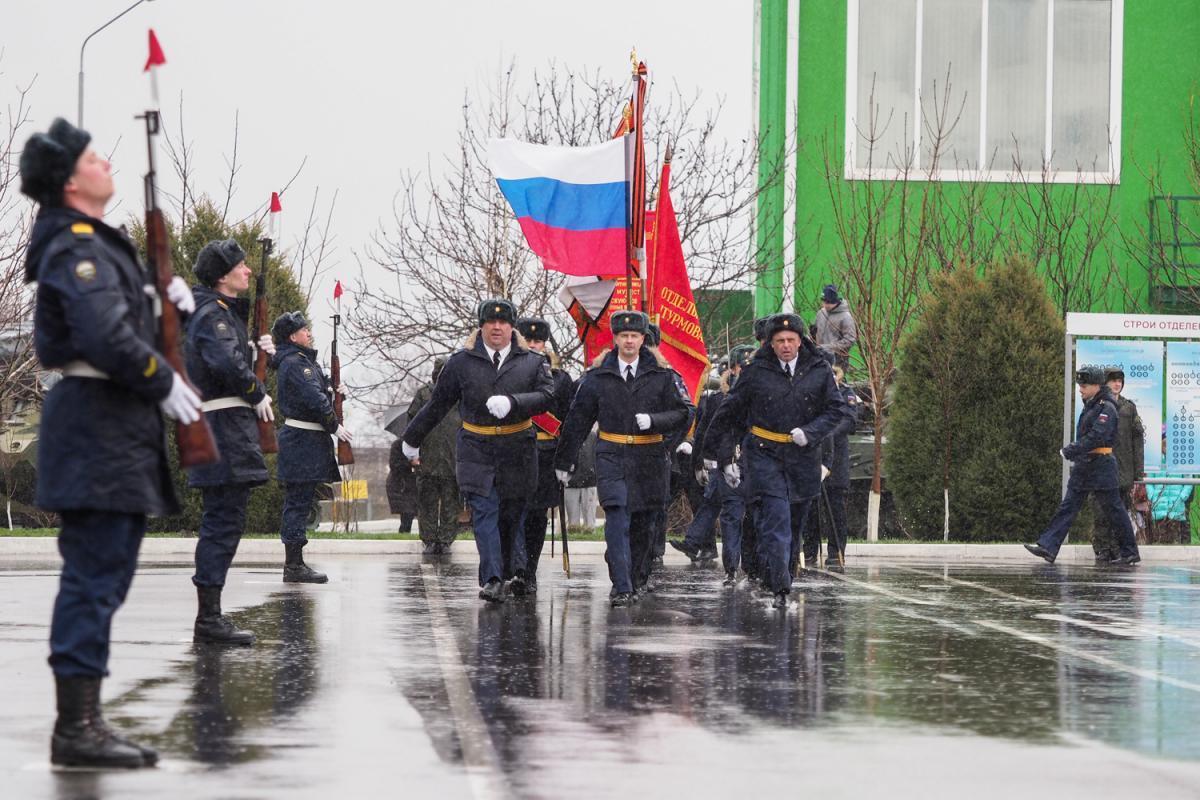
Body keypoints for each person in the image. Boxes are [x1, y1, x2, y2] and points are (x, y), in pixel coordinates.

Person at [21, 118, 201, 768]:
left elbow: (118, 319)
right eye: (94, 157)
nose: (107, 162)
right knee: (94, 578)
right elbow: (100, 333)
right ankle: (76, 731)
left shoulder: (94, 242)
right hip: (98, 424)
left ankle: (84, 721)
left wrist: (167, 305)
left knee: (105, 577)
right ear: (72, 181)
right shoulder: (76, 243)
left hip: (110, 425)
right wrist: (159, 380)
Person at [402, 299, 553, 601]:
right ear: (481, 326)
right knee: (485, 512)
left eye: (503, 322)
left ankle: (507, 570)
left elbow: (547, 395)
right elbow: (438, 404)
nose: (496, 327)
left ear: (512, 327)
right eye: (490, 322)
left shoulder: (532, 362)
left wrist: (514, 402)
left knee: (510, 516)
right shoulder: (461, 363)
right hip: (476, 448)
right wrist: (412, 438)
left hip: (516, 450)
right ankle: (492, 579)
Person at [704, 313, 851, 608]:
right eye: (779, 341)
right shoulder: (756, 371)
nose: (785, 345)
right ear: (771, 343)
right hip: (764, 453)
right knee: (776, 518)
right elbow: (731, 411)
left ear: (800, 341)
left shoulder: (818, 370)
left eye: (791, 340)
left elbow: (837, 411)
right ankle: (781, 588)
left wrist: (810, 433)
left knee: (794, 524)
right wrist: (716, 454)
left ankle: (782, 574)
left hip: (803, 457)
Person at [555, 310, 694, 606]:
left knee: (644, 524)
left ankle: (636, 577)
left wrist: (655, 423)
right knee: (617, 516)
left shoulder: (662, 376)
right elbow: (578, 420)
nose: (629, 341)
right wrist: (564, 460)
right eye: (624, 336)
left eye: (635, 336)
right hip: (612, 455)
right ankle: (621, 585)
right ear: (615, 339)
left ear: (644, 339)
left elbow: (684, 413)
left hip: (649, 458)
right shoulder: (597, 377)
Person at [185, 238, 277, 645]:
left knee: (225, 520)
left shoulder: (217, 314)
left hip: (221, 426)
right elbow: (224, 363)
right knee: (222, 522)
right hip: (221, 429)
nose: (248, 271)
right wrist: (256, 390)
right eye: (241, 266)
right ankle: (209, 620)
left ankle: (211, 615)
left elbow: (229, 359)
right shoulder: (212, 314)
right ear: (222, 276)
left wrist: (261, 356)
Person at [1025, 366, 1142, 566]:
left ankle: (1130, 551)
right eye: (1080, 385)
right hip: (1085, 464)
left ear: (1097, 386)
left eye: (1084, 385)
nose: (1081, 388)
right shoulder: (1091, 404)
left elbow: (1098, 436)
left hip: (1102, 465)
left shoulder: (1107, 407)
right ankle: (1048, 547)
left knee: (1115, 509)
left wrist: (1072, 449)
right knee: (1068, 506)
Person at [269, 311, 354, 583]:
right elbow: (313, 399)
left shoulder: (302, 362)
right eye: (304, 330)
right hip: (301, 442)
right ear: (293, 336)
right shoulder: (296, 363)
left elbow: (319, 393)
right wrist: (334, 425)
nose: (309, 334)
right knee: (297, 503)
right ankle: (293, 566)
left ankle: (296, 563)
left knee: (302, 502)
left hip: (306, 443)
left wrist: (334, 391)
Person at [671, 345, 756, 584]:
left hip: (757, 464)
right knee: (728, 515)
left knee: (753, 519)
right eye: (741, 367)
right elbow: (707, 432)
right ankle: (731, 567)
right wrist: (702, 461)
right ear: (732, 370)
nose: (745, 372)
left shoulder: (765, 394)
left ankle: (753, 566)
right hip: (726, 463)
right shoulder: (720, 399)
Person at [516, 316, 575, 593]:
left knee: (537, 516)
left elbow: (570, 420)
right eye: (528, 340)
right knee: (515, 512)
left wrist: (566, 458)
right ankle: (513, 568)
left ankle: (529, 570)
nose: (532, 345)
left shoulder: (561, 380)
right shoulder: (508, 371)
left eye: (537, 341)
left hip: (546, 453)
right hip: (515, 450)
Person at [803, 365, 861, 567]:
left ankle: (836, 551)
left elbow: (850, 421)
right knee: (809, 509)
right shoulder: (812, 393)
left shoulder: (845, 392)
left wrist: (825, 431)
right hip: (813, 459)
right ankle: (810, 551)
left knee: (836, 510)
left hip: (836, 462)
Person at [406, 357, 464, 554]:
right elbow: (411, 425)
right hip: (427, 456)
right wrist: (413, 454)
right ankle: (430, 540)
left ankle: (446, 540)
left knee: (451, 500)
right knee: (427, 500)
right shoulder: (423, 395)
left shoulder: (460, 396)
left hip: (452, 456)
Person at [1090, 368, 1145, 562]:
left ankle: (1118, 548)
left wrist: (1139, 470)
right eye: (1113, 380)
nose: (1117, 384)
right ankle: (1102, 548)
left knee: (1120, 510)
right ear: (1106, 383)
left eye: (1120, 381)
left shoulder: (1128, 408)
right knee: (1100, 510)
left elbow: (1138, 439)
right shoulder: (1096, 405)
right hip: (1101, 466)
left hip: (1123, 469)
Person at [814, 284, 857, 370]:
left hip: (838, 360)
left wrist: (828, 347)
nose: (826, 305)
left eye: (829, 303)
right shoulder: (821, 313)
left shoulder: (845, 317)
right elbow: (814, 332)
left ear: (836, 301)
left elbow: (850, 340)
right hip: (819, 357)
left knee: (835, 382)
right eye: (824, 302)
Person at [564, 426, 599, 530]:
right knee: (572, 524)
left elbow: (596, 456)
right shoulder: (566, 437)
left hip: (590, 480)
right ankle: (573, 530)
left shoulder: (593, 436)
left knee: (590, 525)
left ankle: (588, 530)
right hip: (570, 481)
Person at [386, 439, 418, 533]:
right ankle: (404, 533)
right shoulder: (398, 445)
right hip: (401, 485)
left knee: (416, 512)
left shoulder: (422, 444)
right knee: (407, 513)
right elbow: (394, 465)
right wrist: (410, 463)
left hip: (415, 483)